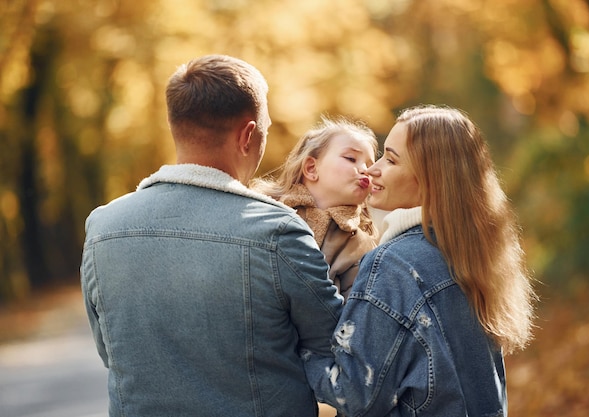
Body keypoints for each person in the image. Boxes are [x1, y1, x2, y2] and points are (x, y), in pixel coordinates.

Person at [80, 54, 343, 417]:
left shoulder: (102, 228)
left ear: (175, 125)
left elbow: (111, 352)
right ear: (249, 134)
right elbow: (337, 344)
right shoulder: (277, 231)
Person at [301, 105, 536, 416]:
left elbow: (353, 393)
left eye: (391, 159)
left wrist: (297, 346)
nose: (372, 170)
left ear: (430, 179)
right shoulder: (470, 256)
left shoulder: (393, 264)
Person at [252, 117, 379, 299]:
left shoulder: (360, 245)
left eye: (370, 165)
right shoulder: (265, 211)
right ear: (311, 168)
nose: (365, 169)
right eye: (351, 158)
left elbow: (351, 310)